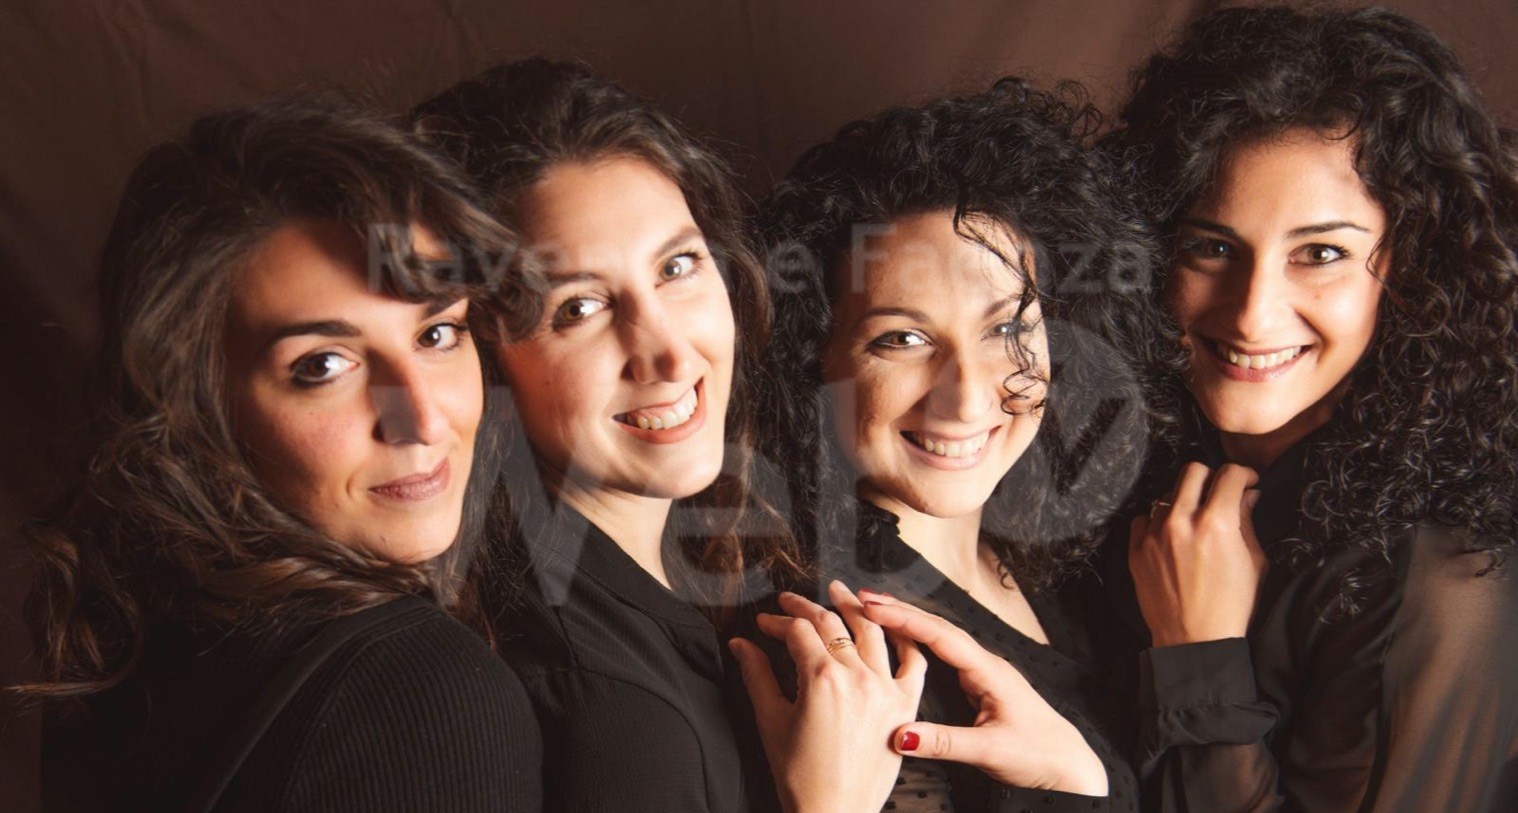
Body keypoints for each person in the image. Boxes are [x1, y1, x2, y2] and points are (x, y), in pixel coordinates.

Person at [413, 58, 926, 813]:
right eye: (578, 309)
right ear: (483, 360)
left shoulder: (717, 554)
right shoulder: (603, 704)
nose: (671, 355)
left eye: (678, 266)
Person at [26, 96, 543, 812]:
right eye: (323, 366)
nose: (421, 419)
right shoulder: (419, 696)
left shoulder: (123, 640)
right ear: (198, 409)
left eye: (437, 335)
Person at [1107, 6, 1518, 811]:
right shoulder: (1132, 464)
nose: (1252, 314)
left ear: (1411, 270)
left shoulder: (1444, 579)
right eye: (1211, 247)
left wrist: (1200, 651)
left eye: (1320, 253)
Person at [754, 77, 1170, 811]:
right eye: (902, 339)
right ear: (814, 361)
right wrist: (1078, 789)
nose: (969, 397)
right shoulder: (846, 649)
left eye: (1006, 327)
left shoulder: (1066, 558)